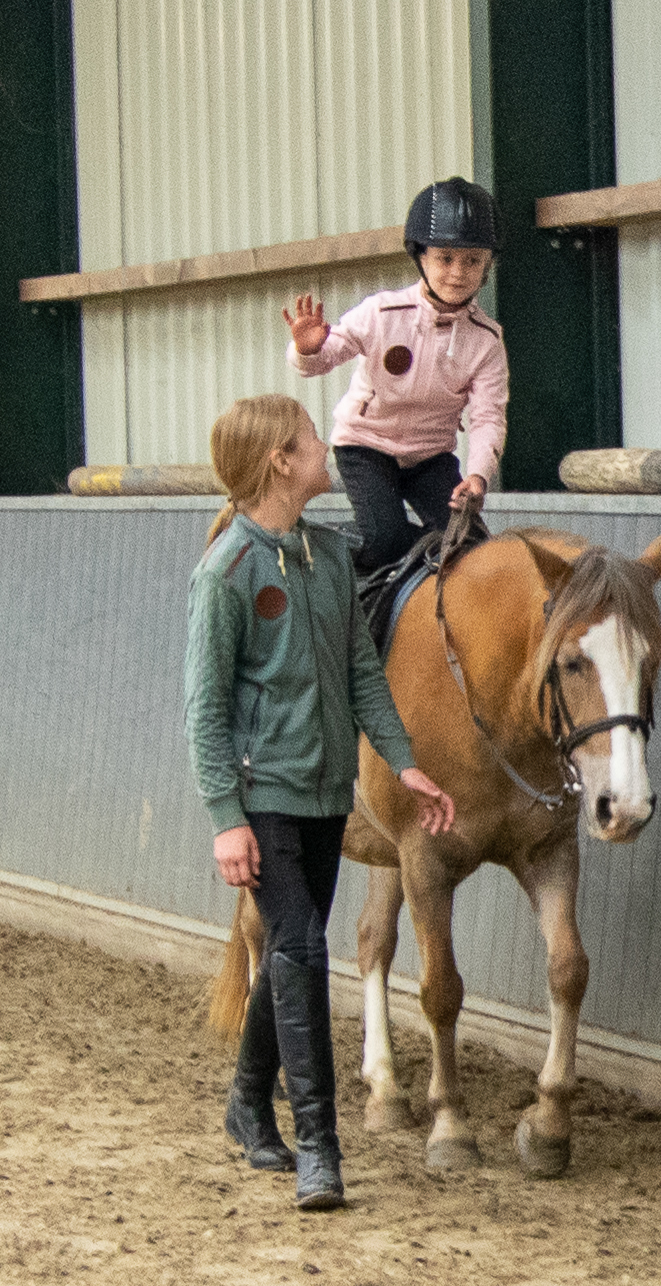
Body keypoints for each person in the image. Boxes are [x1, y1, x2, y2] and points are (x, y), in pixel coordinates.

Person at [185, 394, 457, 1211]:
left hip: (324, 794)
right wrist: (225, 818)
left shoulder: (330, 557)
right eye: (311, 440)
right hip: (262, 792)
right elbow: (204, 708)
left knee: (287, 957)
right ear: (280, 460)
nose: (324, 450)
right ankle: (319, 1147)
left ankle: (244, 1103)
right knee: (301, 946)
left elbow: (361, 676)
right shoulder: (226, 571)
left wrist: (404, 765)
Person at [283, 177, 510, 577]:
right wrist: (308, 348)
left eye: (473, 260)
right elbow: (321, 362)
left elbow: (488, 417)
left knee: (473, 548)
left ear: (487, 264)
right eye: (445, 258)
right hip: (365, 448)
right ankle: (323, 546)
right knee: (385, 541)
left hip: (430, 457)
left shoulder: (487, 340)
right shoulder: (381, 313)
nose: (458, 273)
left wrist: (478, 475)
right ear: (420, 256)